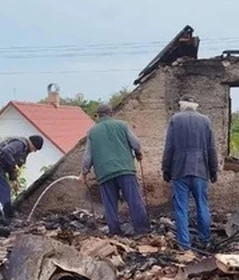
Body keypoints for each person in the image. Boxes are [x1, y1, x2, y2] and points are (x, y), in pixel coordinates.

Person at [81, 103, 150, 236]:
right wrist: (138, 153)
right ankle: (142, 230)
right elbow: (136, 143)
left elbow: (87, 157)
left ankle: (115, 232)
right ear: (111, 113)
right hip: (125, 170)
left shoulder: (92, 132)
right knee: (134, 200)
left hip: (104, 174)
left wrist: (84, 173)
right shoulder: (122, 125)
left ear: (97, 116)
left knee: (110, 205)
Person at [162, 96, 218, 250]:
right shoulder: (205, 121)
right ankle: (204, 239)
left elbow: (169, 147)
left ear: (182, 105)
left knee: (181, 207)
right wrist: (213, 170)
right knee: (202, 205)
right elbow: (212, 148)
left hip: (179, 170)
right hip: (200, 169)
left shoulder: (175, 119)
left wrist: (166, 168)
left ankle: (184, 244)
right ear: (195, 106)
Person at [0, 135, 44, 219]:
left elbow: (12, 167)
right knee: (4, 189)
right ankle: (8, 216)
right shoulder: (20, 144)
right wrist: (14, 164)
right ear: (32, 144)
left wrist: (14, 179)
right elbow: (6, 151)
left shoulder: (24, 150)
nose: (35, 151)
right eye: (35, 149)